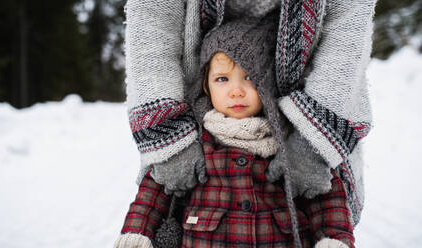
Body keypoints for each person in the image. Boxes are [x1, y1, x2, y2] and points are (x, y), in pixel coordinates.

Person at [124, 0, 376, 232]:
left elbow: (348, 25)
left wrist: (316, 140)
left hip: (303, 112)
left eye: (249, 80)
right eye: (223, 80)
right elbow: (151, 21)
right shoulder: (204, 140)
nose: (236, 91)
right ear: (206, 84)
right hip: (188, 120)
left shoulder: (280, 143)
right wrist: (167, 136)